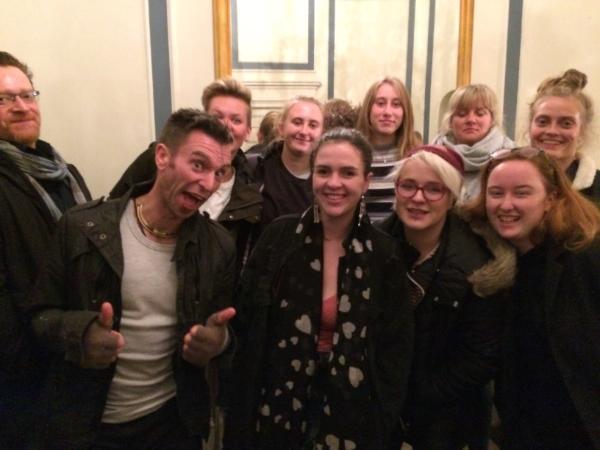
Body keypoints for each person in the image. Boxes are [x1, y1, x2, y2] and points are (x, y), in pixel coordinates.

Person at [26, 109, 237, 449]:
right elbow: (38, 317)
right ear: (162, 156)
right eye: (198, 165)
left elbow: (223, 329)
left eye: (219, 173)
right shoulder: (83, 228)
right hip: (89, 423)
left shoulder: (218, 245)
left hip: (173, 422)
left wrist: (218, 343)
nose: (209, 183)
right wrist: (80, 333)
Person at [225, 128, 414, 449]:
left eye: (348, 173)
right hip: (277, 404)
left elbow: (396, 348)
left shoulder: (385, 253)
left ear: (366, 181)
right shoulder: (279, 238)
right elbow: (247, 325)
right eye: (324, 171)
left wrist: (384, 413)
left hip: (354, 411)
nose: (334, 183)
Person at [379, 144, 513, 450]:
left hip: (448, 416)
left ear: (451, 196)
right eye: (408, 186)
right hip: (385, 405)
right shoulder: (376, 246)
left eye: (433, 189)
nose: (418, 198)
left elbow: (480, 357)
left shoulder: (478, 264)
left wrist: (419, 396)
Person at [465, 146, 600, 449]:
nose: (506, 204)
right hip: (525, 428)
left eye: (522, 193)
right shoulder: (491, 259)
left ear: (551, 198)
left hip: (582, 424)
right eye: (496, 193)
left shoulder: (585, 254)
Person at [0, 51, 92, 448]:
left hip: (76, 363)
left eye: (27, 95)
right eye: (4, 100)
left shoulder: (65, 172)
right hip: (25, 380)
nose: (21, 107)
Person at [110, 78, 262, 271]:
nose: (226, 126)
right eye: (217, 117)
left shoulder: (251, 186)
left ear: (247, 131)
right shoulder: (156, 159)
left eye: (236, 120)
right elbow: (115, 210)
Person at [433, 84, 514, 203]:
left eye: (480, 113)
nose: (471, 120)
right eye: (461, 114)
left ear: (492, 119)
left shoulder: (511, 156)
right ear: (450, 120)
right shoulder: (433, 156)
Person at [528, 68, 600, 202]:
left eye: (566, 123)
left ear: (582, 132)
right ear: (530, 126)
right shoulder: (503, 181)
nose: (552, 131)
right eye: (543, 121)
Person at [254, 95, 324, 229]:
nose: (304, 131)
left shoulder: (327, 177)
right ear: (281, 128)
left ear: (322, 133)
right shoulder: (258, 169)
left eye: (313, 125)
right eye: (297, 122)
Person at [356, 77, 420, 221]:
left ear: (405, 112)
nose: (387, 112)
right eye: (380, 103)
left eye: (396, 105)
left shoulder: (417, 155)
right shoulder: (353, 153)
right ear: (368, 109)